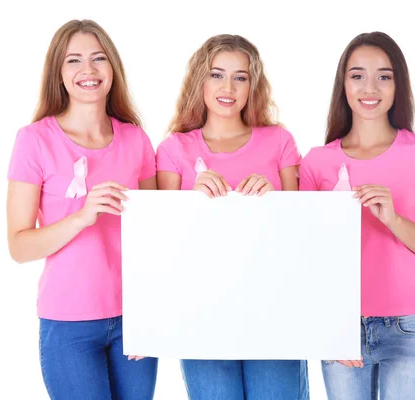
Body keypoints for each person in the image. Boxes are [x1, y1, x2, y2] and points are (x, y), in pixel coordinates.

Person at [6, 19, 158, 400]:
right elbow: (19, 246)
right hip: (68, 324)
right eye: (74, 60)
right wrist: (81, 217)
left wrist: (155, 314)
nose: (87, 70)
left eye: (98, 58)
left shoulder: (136, 140)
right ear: (58, 73)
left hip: (135, 320)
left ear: (113, 70)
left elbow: (160, 236)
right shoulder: (34, 140)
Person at [299, 31, 415, 400]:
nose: (370, 87)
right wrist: (327, 328)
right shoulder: (317, 162)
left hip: (411, 326)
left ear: (399, 84)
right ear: (344, 85)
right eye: (357, 75)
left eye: (384, 76)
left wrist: (394, 220)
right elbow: (306, 258)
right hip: (342, 327)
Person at [156, 34, 308, 399]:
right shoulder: (175, 148)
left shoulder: (279, 141)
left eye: (240, 77)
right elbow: (162, 238)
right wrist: (192, 202)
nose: (228, 87)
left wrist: (276, 203)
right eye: (216, 75)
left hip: (274, 312)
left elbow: (302, 230)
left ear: (252, 85)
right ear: (199, 81)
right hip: (202, 314)